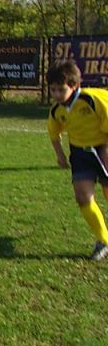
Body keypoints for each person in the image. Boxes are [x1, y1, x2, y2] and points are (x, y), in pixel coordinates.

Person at [47, 59, 108, 261]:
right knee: (83, 197)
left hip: (102, 147)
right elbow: (54, 133)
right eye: (53, 89)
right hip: (80, 154)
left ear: (74, 86)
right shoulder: (57, 110)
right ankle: (103, 240)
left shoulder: (93, 99)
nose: (56, 94)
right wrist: (60, 155)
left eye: (60, 89)